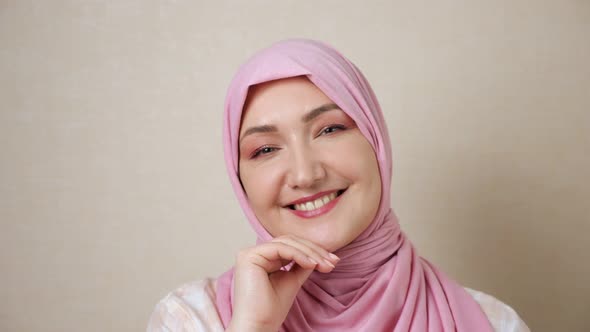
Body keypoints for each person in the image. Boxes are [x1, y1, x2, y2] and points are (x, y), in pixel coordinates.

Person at [147, 39, 529, 331]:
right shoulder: (192, 318)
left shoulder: (492, 322)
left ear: (376, 142)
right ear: (240, 178)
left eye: (330, 129)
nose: (305, 174)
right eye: (265, 149)